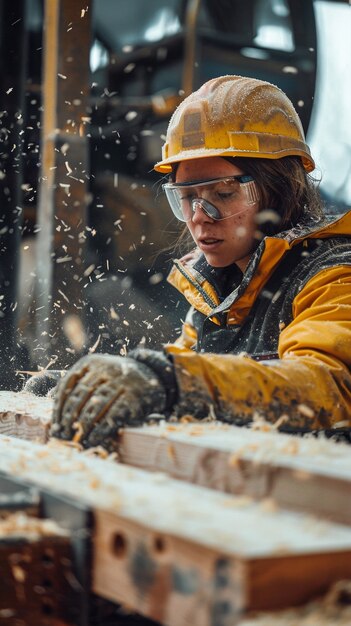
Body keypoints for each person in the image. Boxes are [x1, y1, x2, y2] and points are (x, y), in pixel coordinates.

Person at [28, 75, 351, 451]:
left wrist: (168, 381)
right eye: (187, 197)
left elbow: (327, 385)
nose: (200, 216)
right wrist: (91, 386)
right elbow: (190, 370)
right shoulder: (217, 286)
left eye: (223, 194)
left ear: (281, 188)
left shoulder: (333, 273)